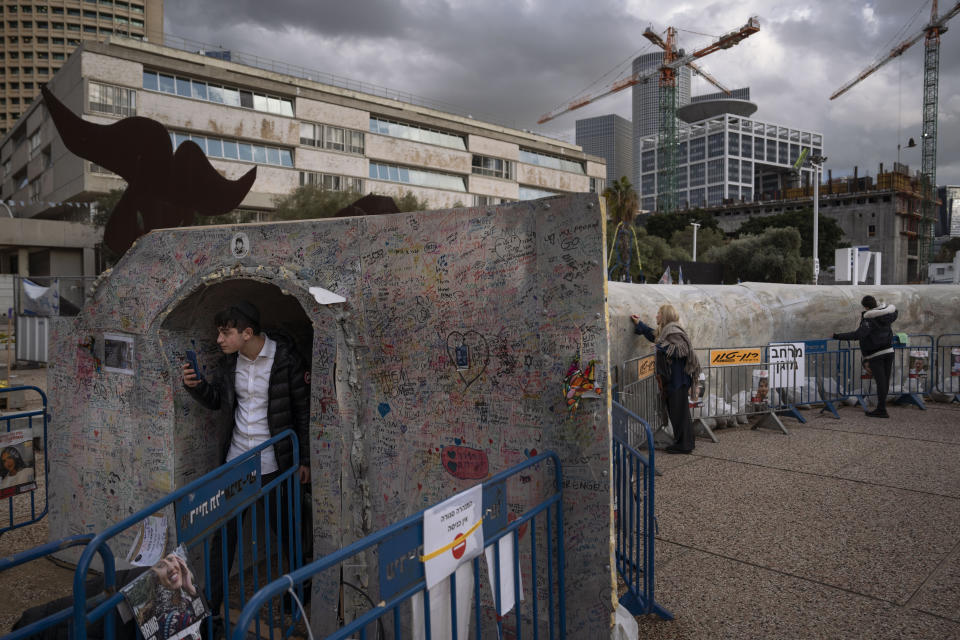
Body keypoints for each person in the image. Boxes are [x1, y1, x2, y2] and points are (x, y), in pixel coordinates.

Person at [181, 301, 311, 616]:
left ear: (247, 332)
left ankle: (296, 601)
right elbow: (220, 404)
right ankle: (211, 614)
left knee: (290, 535)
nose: (219, 340)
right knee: (221, 542)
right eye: (219, 333)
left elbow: (304, 413)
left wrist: (304, 459)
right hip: (235, 466)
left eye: (226, 333)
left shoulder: (286, 360)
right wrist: (197, 387)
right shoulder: (230, 364)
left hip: (274, 467)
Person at [631, 305, 702, 454]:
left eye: (658, 314)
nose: (656, 316)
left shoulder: (673, 330)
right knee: (679, 413)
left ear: (665, 316)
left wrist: (661, 348)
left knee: (679, 413)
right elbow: (654, 336)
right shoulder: (666, 332)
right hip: (675, 379)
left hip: (678, 379)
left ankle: (684, 445)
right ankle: (686, 442)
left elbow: (682, 350)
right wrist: (640, 325)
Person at [833, 295, 898, 418]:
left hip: (876, 354)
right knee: (885, 381)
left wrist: (837, 336)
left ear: (866, 307)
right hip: (889, 351)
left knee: (881, 382)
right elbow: (895, 312)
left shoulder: (869, 320)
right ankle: (881, 408)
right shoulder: (887, 315)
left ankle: (881, 409)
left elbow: (858, 334)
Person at [151, 552, 205, 640]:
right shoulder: (176, 618)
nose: (171, 568)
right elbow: (203, 620)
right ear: (154, 578)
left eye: (170, 559)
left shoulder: (184, 600)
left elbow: (203, 618)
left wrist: (191, 590)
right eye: (161, 566)